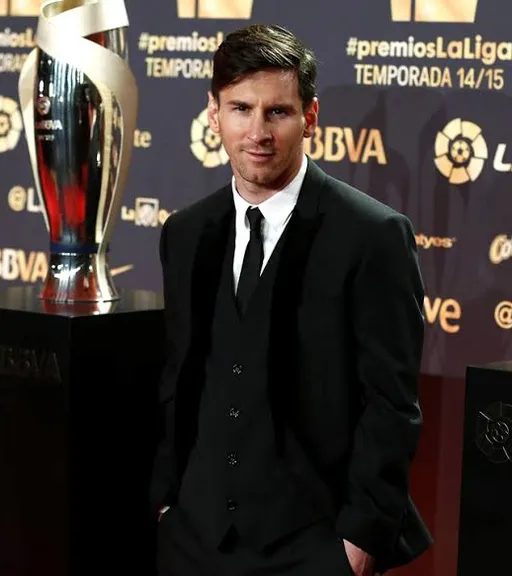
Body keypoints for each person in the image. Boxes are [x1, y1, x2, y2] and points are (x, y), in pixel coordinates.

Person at [152, 23, 433, 576]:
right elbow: (179, 378)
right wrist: (167, 500)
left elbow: (392, 404)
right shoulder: (186, 233)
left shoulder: (372, 235)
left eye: (277, 112)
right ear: (214, 113)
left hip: (313, 545)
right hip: (193, 538)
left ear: (309, 116)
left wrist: (359, 542)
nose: (257, 131)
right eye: (240, 108)